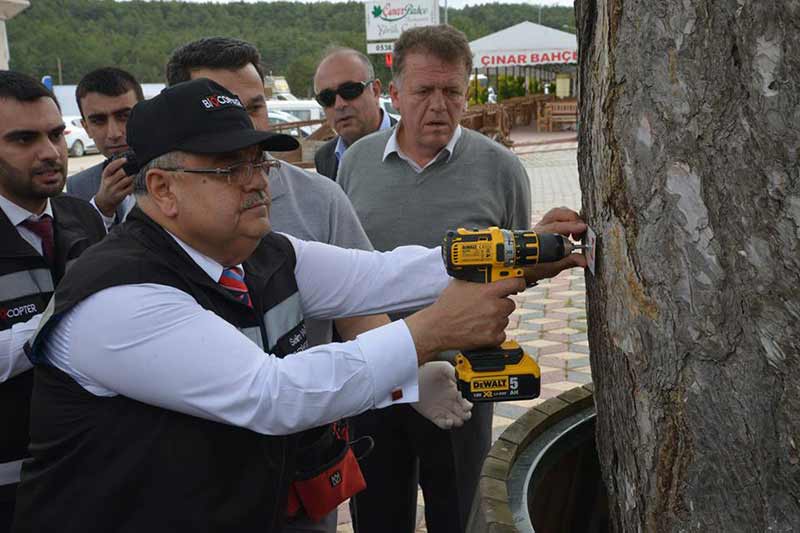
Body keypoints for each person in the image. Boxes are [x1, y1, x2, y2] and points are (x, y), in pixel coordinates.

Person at [9, 78, 527, 533]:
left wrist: (525, 251)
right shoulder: (121, 295)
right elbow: (273, 394)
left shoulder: (257, 252)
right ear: (164, 188)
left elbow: (383, 274)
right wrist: (429, 333)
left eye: (258, 160)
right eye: (228, 167)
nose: (258, 179)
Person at [337, 25, 587, 533]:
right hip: (373, 377)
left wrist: (545, 253)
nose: (438, 106)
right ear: (395, 93)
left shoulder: (502, 168)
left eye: (452, 91)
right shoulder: (356, 162)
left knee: (460, 514)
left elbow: (516, 272)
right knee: (377, 516)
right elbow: (344, 275)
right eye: (424, 91)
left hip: (464, 384)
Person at [166, 35, 416, 532]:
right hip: (200, 477)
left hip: (306, 467)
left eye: (256, 105)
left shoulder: (318, 198)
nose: (246, 125)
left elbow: (362, 298)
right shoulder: (150, 219)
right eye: (226, 108)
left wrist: (406, 375)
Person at [0, 71, 105, 532]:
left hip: (95, 477)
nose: (49, 151)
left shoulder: (82, 217)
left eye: (55, 133)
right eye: (23, 139)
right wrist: (57, 324)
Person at [66, 67, 144, 228]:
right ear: (86, 127)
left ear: (146, 113)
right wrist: (101, 210)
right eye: (98, 121)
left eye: (124, 116)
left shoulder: (185, 173)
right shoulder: (79, 187)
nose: (113, 133)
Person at [312, 47, 397, 181]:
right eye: (327, 97)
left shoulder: (413, 145)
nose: (339, 104)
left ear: (375, 90)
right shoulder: (324, 158)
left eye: (349, 90)